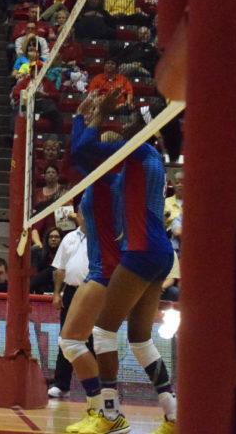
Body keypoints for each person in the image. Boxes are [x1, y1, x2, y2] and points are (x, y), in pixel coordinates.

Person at [62, 90, 177, 434]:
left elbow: (83, 151)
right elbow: (87, 155)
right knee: (140, 339)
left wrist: (90, 117)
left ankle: (110, 415)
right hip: (160, 252)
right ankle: (173, 415)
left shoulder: (133, 156)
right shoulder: (150, 158)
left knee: (102, 332)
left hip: (140, 251)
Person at [47, 219, 90, 399]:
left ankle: (100, 387)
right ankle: (62, 384)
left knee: (95, 340)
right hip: (71, 291)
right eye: (82, 211)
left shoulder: (101, 236)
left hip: (93, 290)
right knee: (65, 338)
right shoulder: (69, 238)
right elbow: (60, 269)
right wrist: (57, 293)